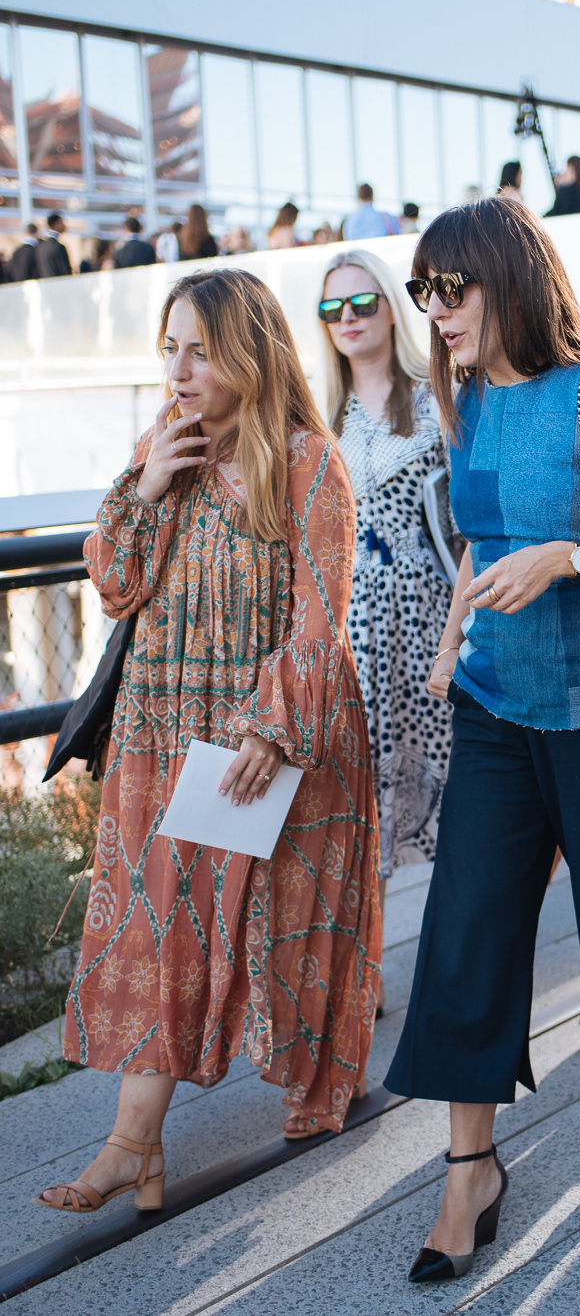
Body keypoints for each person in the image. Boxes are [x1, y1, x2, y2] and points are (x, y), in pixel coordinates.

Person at [383, 198, 580, 1284]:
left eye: (447, 288)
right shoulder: (462, 397)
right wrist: (447, 636)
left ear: (506, 277)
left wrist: (568, 558)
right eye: (422, 292)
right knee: (466, 932)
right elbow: (478, 536)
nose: (433, 311)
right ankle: (468, 1167)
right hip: (489, 704)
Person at [36, 267, 380, 1214]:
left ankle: (322, 1085)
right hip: (158, 734)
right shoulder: (165, 447)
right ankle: (128, 1148)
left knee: (281, 926)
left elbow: (322, 618)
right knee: (157, 931)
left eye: (200, 349)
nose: (179, 370)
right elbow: (113, 583)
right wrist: (147, 485)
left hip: (266, 734)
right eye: (170, 349)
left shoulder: (309, 462)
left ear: (250, 352)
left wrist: (272, 726)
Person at [318, 248, 453, 1009]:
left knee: (448, 780)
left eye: (362, 303)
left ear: (389, 308)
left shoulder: (436, 397)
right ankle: (362, 973)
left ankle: (460, 962)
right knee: (359, 795)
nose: (349, 320)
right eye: (332, 309)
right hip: (351, 627)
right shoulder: (317, 414)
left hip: (432, 609)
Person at [36, 212, 73, 278]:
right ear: (55, 224)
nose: (64, 226)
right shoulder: (58, 247)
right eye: (61, 223)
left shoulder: (40, 247)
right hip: (59, 285)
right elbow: (66, 272)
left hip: (45, 285)